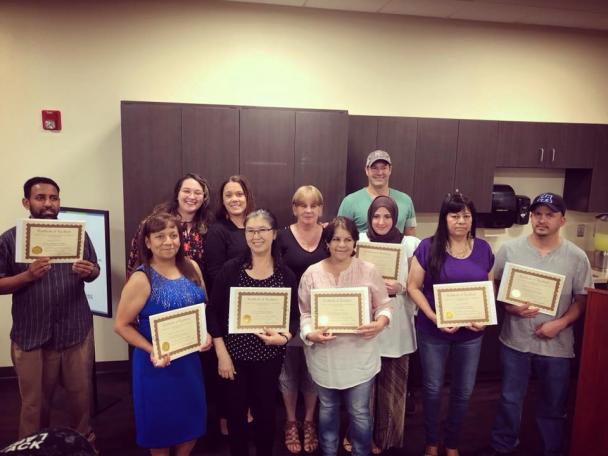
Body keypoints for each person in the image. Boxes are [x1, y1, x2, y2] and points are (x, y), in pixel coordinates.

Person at [480, 193, 593, 456]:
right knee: (509, 398)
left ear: (562, 220)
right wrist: (507, 306)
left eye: (549, 215)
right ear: (531, 217)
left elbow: (583, 299)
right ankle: (503, 445)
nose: (542, 220)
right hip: (515, 341)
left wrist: (561, 323)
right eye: (537, 214)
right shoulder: (510, 249)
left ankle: (550, 450)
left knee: (553, 405)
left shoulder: (577, 257)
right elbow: (492, 283)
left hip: (557, 346)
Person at [0, 177, 99, 444]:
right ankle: (32, 446)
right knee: (34, 405)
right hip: (31, 334)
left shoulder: (76, 234)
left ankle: (83, 444)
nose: (47, 204)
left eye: (53, 198)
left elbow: (95, 270)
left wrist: (90, 272)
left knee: (80, 398)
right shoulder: (10, 239)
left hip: (75, 330)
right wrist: (27, 276)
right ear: (26, 202)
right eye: (40, 198)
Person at [114, 212, 212, 455]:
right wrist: (152, 349)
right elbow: (122, 325)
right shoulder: (141, 277)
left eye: (173, 235)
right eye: (160, 236)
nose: (168, 241)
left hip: (189, 361)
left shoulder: (193, 268)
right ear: (147, 242)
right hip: (156, 364)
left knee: (191, 420)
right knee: (159, 427)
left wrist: (206, 335)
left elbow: (203, 307)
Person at [407, 192, 494, 456]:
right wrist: (434, 316)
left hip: (471, 335)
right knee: (432, 389)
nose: (461, 221)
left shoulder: (483, 249)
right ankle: (432, 442)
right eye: (455, 215)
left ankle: (452, 441)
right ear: (444, 218)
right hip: (433, 331)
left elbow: (489, 287)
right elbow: (413, 286)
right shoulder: (427, 246)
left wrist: (484, 317)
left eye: (466, 216)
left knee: (464, 390)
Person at [207, 209, 299, 456]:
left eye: (262, 230)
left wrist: (285, 337)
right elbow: (213, 312)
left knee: (266, 415)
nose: (256, 236)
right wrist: (222, 354)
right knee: (236, 416)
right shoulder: (231, 270)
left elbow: (294, 318)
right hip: (234, 358)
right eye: (250, 231)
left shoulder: (285, 275)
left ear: (274, 234)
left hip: (269, 358)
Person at [299, 216, 392, 456]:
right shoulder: (312, 273)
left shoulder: (368, 270)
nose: (342, 245)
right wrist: (311, 334)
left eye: (348, 239)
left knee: (360, 412)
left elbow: (384, 305)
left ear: (355, 243)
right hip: (325, 356)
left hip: (360, 356)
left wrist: (380, 323)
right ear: (327, 242)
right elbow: (305, 313)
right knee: (328, 409)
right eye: (336, 239)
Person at [358, 196, 420, 453]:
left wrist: (401, 287)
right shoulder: (360, 242)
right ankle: (360, 436)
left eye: (387, 216)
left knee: (393, 389)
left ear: (396, 218)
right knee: (363, 390)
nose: (381, 221)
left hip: (398, 326)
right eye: (376, 216)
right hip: (366, 323)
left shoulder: (411, 244)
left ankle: (388, 440)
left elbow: (419, 285)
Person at [276, 186, 328, 454]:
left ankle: (308, 422)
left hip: (320, 317)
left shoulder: (329, 235)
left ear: (321, 208)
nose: (308, 210)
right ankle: (290, 421)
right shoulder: (282, 237)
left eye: (314, 205)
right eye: (303, 205)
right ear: (294, 208)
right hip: (287, 317)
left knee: (313, 372)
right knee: (288, 373)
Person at [126, 173, 211, 275]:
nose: (192, 197)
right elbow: (136, 260)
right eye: (186, 191)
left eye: (197, 193)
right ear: (177, 194)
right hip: (157, 284)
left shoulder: (208, 227)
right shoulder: (153, 223)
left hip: (194, 285)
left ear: (204, 198)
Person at [338, 149, 416, 235]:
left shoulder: (406, 201)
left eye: (384, 168)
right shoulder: (349, 202)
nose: (380, 172)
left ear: (390, 170)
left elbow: (410, 238)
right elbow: (341, 236)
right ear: (367, 170)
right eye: (374, 168)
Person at [204, 175, 255, 292]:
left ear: (247, 197)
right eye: (228, 195)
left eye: (239, 194)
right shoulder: (217, 231)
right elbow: (215, 274)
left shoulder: (258, 227)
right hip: (232, 297)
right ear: (223, 200)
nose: (234, 199)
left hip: (259, 293)